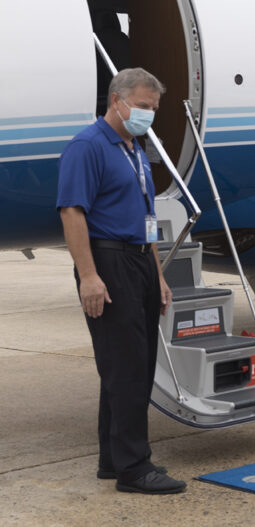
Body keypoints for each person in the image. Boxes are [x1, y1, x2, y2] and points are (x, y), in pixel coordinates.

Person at [57, 67, 184, 494]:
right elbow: (72, 212)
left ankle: (113, 459)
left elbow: (146, 219)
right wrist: (89, 276)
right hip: (108, 262)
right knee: (126, 364)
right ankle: (134, 467)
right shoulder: (88, 146)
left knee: (134, 363)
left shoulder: (134, 149)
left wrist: (158, 274)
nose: (149, 115)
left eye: (153, 109)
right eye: (144, 107)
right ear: (118, 100)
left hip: (139, 261)